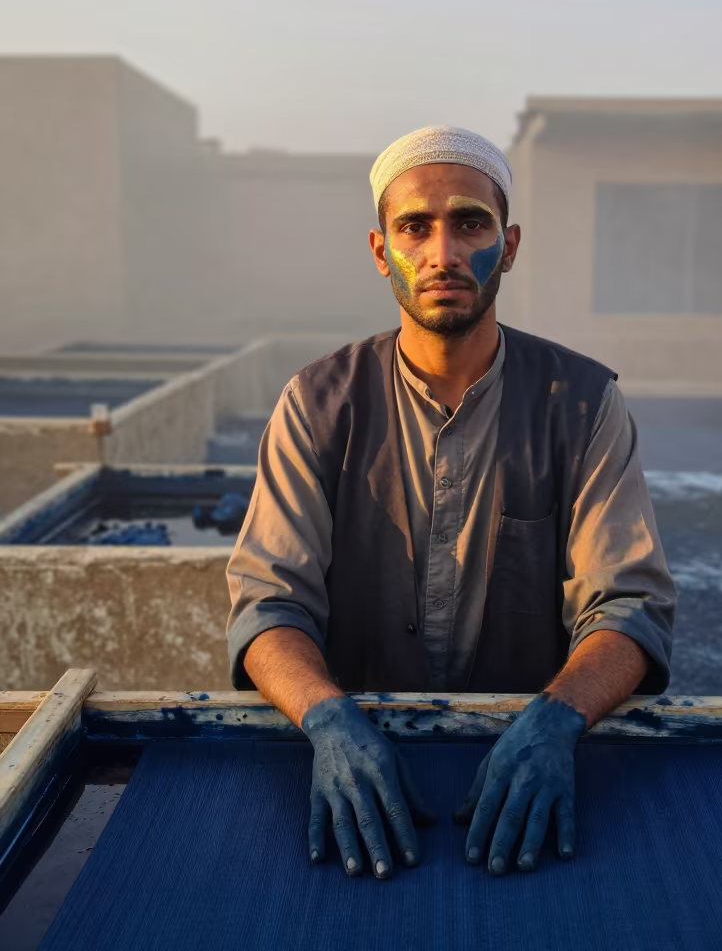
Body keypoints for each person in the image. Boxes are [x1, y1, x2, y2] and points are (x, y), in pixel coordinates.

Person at [225, 125, 677, 879]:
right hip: (354, 782)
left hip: (527, 773)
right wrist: (328, 718)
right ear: (380, 252)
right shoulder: (317, 403)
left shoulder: (584, 402)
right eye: (415, 228)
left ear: (510, 243)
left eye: (471, 223)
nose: (444, 253)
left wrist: (559, 718)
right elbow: (268, 605)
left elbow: (630, 604)